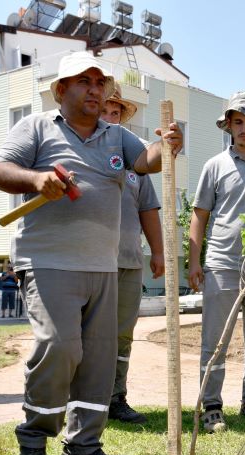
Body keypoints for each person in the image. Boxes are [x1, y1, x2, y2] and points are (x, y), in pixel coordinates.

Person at [0, 51, 181, 455]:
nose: (95, 89)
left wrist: (165, 146)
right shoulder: (36, 127)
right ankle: (35, 440)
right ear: (61, 90)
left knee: (97, 358)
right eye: (83, 81)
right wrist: (37, 180)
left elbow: (145, 161)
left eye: (100, 82)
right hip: (49, 262)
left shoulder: (116, 136)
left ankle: (84, 449)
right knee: (59, 347)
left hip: (104, 266)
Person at [188, 91, 245, 433]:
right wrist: (194, 261)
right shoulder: (214, 166)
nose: (244, 128)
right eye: (238, 122)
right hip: (222, 263)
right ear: (228, 125)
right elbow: (200, 215)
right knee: (215, 341)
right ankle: (211, 406)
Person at [100, 82, 164, 424]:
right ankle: (82, 400)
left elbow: (148, 209)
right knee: (87, 334)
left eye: (116, 112)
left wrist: (157, 252)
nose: (111, 117)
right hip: (91, 260)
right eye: (105, 111)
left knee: (123, 333)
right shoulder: (88, 152)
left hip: (127, 259)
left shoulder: (137, 161)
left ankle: (116, 397)